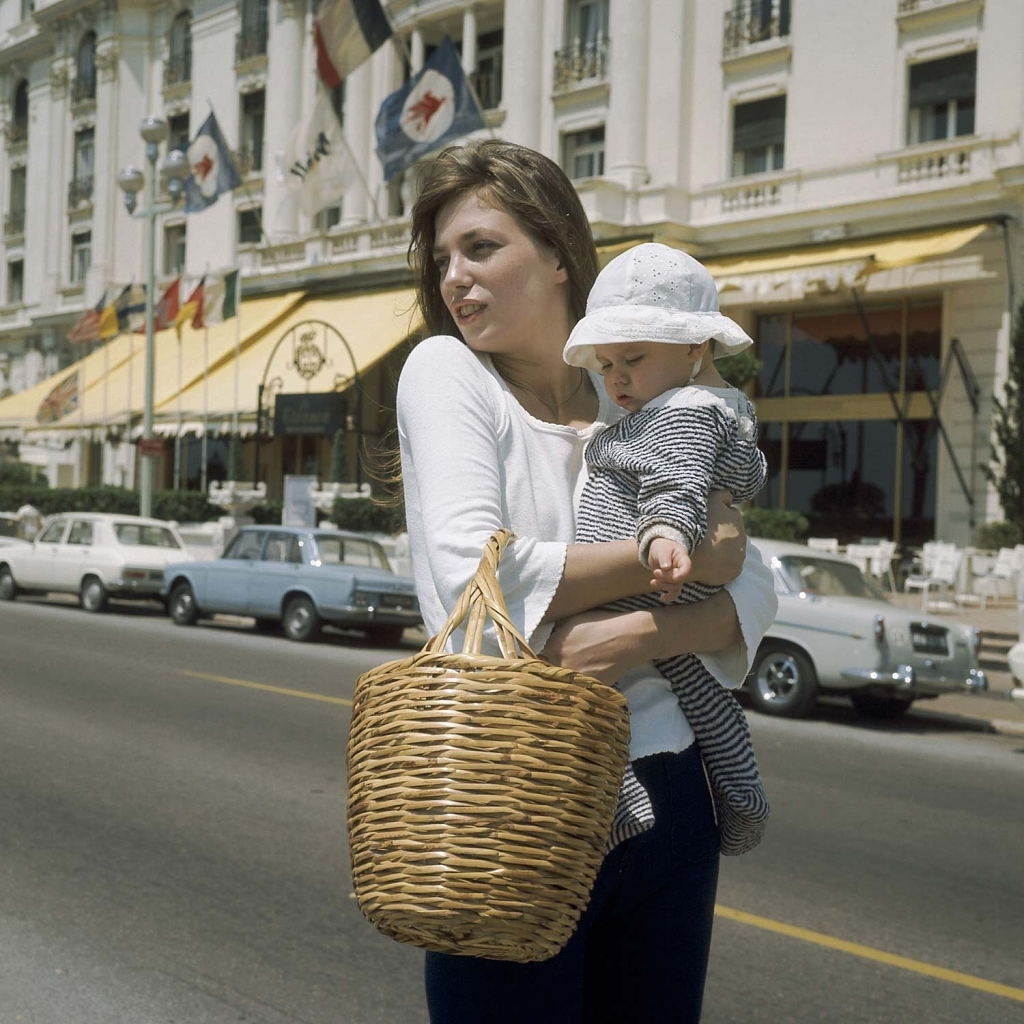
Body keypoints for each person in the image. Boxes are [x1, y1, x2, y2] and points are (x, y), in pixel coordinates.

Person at [396, 139, 778, 1024]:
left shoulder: (638, 388)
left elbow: (758, 582)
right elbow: (474, 576)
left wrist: (637, 631)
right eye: (443, 258)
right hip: (514, 800)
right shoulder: (447, 373)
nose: (455, 277)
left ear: (560, 255)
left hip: (673, 789)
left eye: (482, 247)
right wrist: (687, 561)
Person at [564, 242, 770, 857]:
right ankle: (741, 791)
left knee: (572, 671)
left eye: (633, 357)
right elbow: (741, 475)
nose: (616, 378)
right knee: (698, 687)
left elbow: (675, 483)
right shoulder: (708, 405)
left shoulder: (682, 410)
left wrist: (664, 537)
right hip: (670, 575)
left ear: (694, 347)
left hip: (648, 568)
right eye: (604, 364)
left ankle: (617, 796)